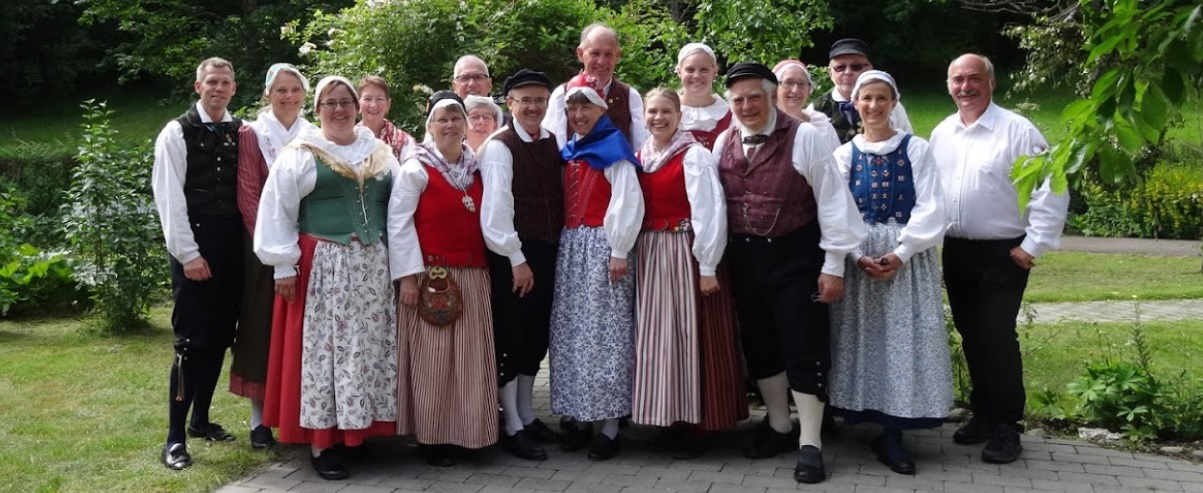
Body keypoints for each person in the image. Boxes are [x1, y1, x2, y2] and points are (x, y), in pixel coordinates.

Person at [713, 62, 865, 484]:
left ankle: (810, 442)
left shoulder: (806, 137)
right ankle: (779, 425)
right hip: (744, 261)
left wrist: (833, 266)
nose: (746, 106)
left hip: (796, 259)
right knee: (759, 344)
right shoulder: (723, 141)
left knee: (803, 346)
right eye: (738, 100)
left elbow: (832, 203)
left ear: (772, 95)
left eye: (754, 97)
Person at [255, 76, 400, 480]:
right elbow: (277, 210)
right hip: (325, 267)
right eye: (330, 103)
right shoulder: (300, 154)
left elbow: (400, 208)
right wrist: (283, 265)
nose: (339, 110)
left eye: (345, 102)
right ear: (317, 110)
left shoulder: (380, 152)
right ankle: (323, 443)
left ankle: (358, 430)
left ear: (357, 107)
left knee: (366, 350)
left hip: (374, 268)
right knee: (326, 353)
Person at [929, 53, 1069, 465]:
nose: (965, 87)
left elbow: (1051, 186)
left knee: (996, 335)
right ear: (948, 85)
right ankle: (985, 414)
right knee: (972, 335)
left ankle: (1008, 425)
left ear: (991, 82)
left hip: (1004, 252)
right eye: (957, 79)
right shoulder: (942, 133)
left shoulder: (1017, 131)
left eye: (974, 78)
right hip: (957, 250)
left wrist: (1033, 245)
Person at [828, 70, 951, 476]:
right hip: (861, 258)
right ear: (855, 104)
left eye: (882, 98)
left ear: (894, 103)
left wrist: (901, 252)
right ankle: (862, 413)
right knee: (862, 338)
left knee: (902, 338)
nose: (874, 105)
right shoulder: (845, 154)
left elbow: (932, 205)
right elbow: (836, 211)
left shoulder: (916, 148)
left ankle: (893, 428)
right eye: (866, 98)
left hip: (905, 258)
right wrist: (855, 255)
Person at [631, 88, 746, 459]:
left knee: (690, 334)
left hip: (686, 252)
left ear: (679, 116)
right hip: (651, 255)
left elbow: (709, 211)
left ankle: (701, 422)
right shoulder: (642, 155)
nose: (658, 118)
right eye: (652, 111)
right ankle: (671, 416)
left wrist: (707, 265)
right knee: (661, 337)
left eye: (666, 111)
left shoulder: (694, 155)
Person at [391, 91, 500, 467]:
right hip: (433, 277)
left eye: (456, 118)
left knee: (470, 362)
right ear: (430, 126)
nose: (450, 125)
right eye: (443, 119)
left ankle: (470, 433)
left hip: (474, 276)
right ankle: (433, 438)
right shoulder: (416, 168)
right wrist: (408, 278)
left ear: (466, 125)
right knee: (434, 363)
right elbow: (399, 224)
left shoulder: (477, 167)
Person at [153, 56, 245, 471]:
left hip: (232, 248)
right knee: (191, 343)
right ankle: (174, 438)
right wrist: (188, 254)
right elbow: (169, 198)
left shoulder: (241, 130)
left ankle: (201, 420)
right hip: (194, 246)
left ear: (233, 88)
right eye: (211, 82)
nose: (218, 88)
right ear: (198, 86)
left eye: (225, 82)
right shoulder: (176, 132)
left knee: (222, 336)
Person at [548, 73, 644, 461]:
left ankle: (609, 426)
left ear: (602, 110)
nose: (578, 114)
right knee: (573, 334)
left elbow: (627, 201)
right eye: (572, 108)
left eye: (585, 107)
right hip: (572, 248)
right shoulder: (570, 149)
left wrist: (619, 249)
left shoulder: (614, 149)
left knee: (605, 335)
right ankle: (580, 417)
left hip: (604, 247)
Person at [479, 69, 565, 461]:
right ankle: (511, 424)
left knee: (535, 337)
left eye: (539, 100)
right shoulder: (500, 147)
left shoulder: (551, 141)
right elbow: (496, 213)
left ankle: (528, 414)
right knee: (512, 338)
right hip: (513, 254)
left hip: (546, 250)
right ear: (510, 103)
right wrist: (516, 259)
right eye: (524, 100)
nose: (533, 107)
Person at [232, 63, 316, 451]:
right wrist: (274, 243)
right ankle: (258, 418)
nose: (288, 96)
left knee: (302, 331)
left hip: (309, 246)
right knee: (262, 329)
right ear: (267, 94)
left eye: (295, 89)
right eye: (280, 90)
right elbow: (249, 194)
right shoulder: (253, 134)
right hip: (266, 248)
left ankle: (300, 412)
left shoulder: (313, 134)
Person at [543, 23, 649, 150]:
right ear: (580, 54)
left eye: (608, 54)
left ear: (617, 56)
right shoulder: (561, 95)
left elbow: (640, 149)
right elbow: (551, 149)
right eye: (595, 53)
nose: (601, 62)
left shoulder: (629, 96)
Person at [808, 38, 912, 144]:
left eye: (856, 66)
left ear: (869, 69)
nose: (848, 72)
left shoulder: (890, 106)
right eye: (840, 67)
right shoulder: (816, 109)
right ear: (830, 73)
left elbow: (907, 142)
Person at [772, 60, 839, 151]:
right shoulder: (763, 126)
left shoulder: (822, 125)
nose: (795, 90)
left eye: (801, 84)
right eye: (788, 82)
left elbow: (836, 159)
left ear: (809, 89)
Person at [674, 43, 731, 150]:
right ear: (679, 72)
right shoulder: (666, 111)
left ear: (714, 72)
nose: (696, 76)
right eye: (690, 70)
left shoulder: (729, 113)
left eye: (704, 70)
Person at [357, 75, 415, 163]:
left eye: (379, 99)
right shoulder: (347, 141)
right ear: (358, 105)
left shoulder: (405, 142)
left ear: (388, 105)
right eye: (367, 99)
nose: (373, 105)